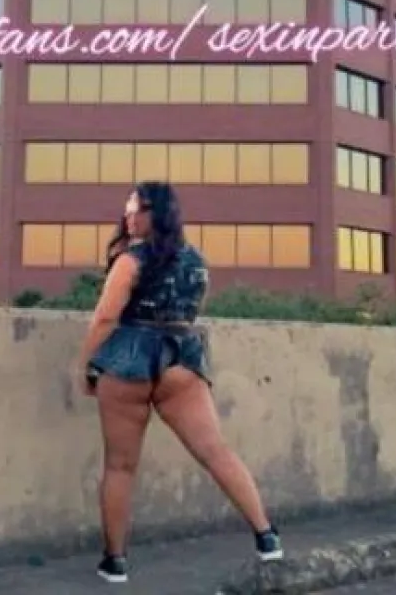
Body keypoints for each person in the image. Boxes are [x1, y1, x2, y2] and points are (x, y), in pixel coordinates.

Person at [72, 181, 283, 584]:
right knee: (215, 451)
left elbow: (105, 318)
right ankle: (266, 536)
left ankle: (115, 562)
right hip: (180, 359)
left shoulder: (131, 260)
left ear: (156, 213)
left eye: (136, 209)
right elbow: (189, 313)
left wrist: (84, 365)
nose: (128, 216)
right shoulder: (197, 261)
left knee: (120, 466)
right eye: (127, 209)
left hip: (128, 361)